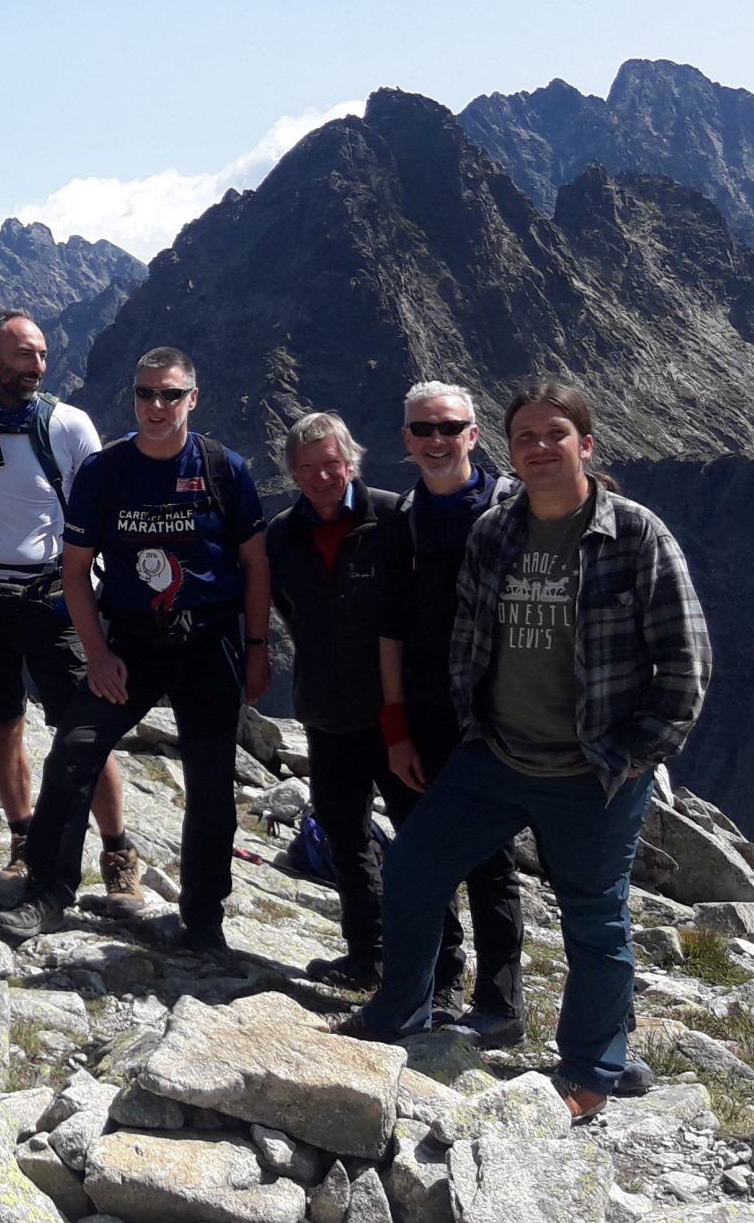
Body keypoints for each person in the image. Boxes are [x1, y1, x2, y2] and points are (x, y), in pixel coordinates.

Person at [346, 382, 711, 1123]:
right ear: (508, 450)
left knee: (594, 919)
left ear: (587, 444)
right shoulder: (497, 530)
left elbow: (687, 661)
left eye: (556, 434)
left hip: (595, 770)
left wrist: (640, 753)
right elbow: (470, 637)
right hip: (499, 755)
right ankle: (398, 1015)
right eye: (527, 438)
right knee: (413, 867)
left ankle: (592, 1067)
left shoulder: (637, 535)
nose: (540, 448)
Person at [0, 346, 270, 953]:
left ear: (193, 399)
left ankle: (202, 920)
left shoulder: (225, 468)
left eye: (171, 394)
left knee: (212, 784)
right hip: (130, 644)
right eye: (146, 394)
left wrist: (256, 648)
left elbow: (254, 562)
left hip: (209, 643)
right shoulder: (106, 471)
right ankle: (48, 893)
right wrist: (98, 653)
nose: (157, 406)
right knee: (73, 753)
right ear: (133, 398)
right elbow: (74, 570)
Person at [0, 310, 140, 900]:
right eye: (24, 354)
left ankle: (117, 850)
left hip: (54, 597)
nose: (37, 366)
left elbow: (101, 512)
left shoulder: (70, 426)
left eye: (43, 355)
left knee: (84, 728)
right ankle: (24, 839)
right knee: (1, 727)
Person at [370, 380, 528, 1042]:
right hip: (425, 714)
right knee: (419, 852)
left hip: (498, 719)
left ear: (473, 434)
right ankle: (435, 981)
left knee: (489, 858)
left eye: (449, 427)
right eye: (423, 430)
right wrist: (396, 725)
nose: (437, 440)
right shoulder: (398, 522)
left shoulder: (514, 513)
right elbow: (390, 633)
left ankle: (501, 1006)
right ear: (407, 440)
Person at [262, 413, 397, 986]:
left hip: (396, 713)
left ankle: (437, 970)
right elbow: (288, 611)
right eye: (307, 467)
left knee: (418, 840)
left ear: (351, 462)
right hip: (326, 712)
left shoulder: (393, 517)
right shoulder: (281, 535)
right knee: (345, 835)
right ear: (293, 472)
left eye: (331, 464)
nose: (320, 476)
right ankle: (367, 955)